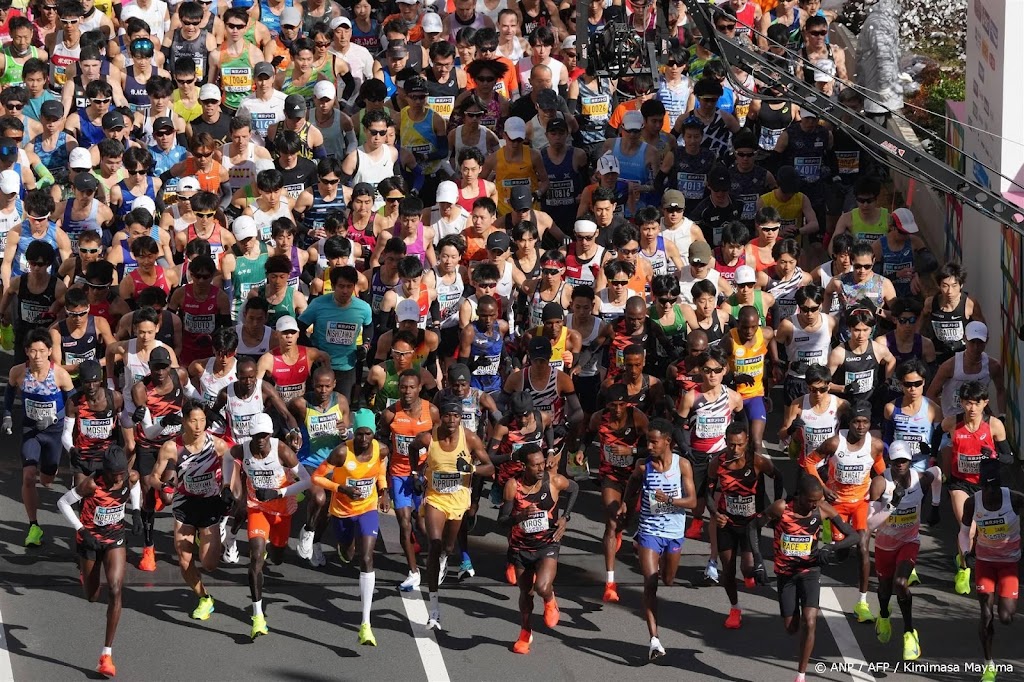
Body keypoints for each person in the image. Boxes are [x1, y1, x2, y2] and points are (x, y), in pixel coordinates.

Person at [56, 444, 140, 679]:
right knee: (92, 596)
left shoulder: (129, 477)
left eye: (122, 473)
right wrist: (81, 530)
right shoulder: (91, 484)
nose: (119, 478)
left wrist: (136, 511)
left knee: (115, 589)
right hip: (90, 541)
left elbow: (135, 484)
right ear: (105, 471)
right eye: (115, 474)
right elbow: (62, 503)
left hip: (115, 539)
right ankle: (85, 572)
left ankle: (106, 655)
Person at [766, 475, 861, 682]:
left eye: (817, 500)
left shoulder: (822, 509)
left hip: (810, 571)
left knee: (810, 621)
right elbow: (754, 527)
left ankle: (801, 676)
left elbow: (854, 536)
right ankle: (795, 617)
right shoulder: (781, 508)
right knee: (792, 628)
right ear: (799, 496)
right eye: (810, 500)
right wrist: (754, 558)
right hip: (786, 574)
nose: (814, 505)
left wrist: (831, 547)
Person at [410, 397, 493, 630]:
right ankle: (434, 611)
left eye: (456, 416)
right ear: (441, 417)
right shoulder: (429, 437)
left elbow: (491, 468)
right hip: (436, 498)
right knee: (434, 544)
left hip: (458, 501)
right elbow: (413, 448)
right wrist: (415, 472)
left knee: (447, 547)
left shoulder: (470, 438)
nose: (452, 420)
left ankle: (446, 558)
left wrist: (472, 469)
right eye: (448, 415)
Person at [147, 400, 234, 620]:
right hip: (184, 504)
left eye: (202, 420)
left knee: (209, 564)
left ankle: (204, 539)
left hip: (209, 505)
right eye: (194, 421)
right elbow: (152, 477)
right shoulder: (171, 447)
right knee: (183, 559)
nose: (198, 426)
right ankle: (204, 598)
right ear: (184, 421)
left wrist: (227, 488)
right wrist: (162, 486)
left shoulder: (217, 445)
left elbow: (231, 468)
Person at [802, 400, 886, 622]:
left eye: (865, 422)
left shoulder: (875, 445)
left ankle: (862, 603)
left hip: (860, 503)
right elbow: (809, 462)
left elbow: (882, 472)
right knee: (841, 553)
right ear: (849, 423)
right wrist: (822, 487)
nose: (861, 426)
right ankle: (832, 539)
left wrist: (883, 497)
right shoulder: (834, 443)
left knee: (862, 546)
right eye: (857, 421)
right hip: (836, 503)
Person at [312, 409, 389, 645]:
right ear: (354, 432)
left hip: (367, 508)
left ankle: (365, 623)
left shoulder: (381, 449)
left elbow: (381, 468)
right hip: (343, 511)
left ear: (373, 434)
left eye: (368, 434)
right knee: (348, 553)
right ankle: (344, 546)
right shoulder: (342, 452)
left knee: (366, 558)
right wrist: (340, 489)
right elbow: (317, 477)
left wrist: (384, 491)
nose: (364, 440)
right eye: (359, 434)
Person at [622, 418, 696, 660]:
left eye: (654, 442)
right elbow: (632, 482)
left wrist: (669, 501)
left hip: (674, 532)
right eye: (647, 442)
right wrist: (625, 502)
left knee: (668, 579)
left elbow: (693, 503)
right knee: (650, 583)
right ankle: (654, 639)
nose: (650, 446)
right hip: (649, 530)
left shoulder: (682, 465)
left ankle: (661, 564)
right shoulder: (644, 467)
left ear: (668, 442)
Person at [233, 412, 310, 639]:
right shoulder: (244, 449)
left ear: (271, 434)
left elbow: (307, 481)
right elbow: (228, 459)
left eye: (264, 435)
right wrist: (232, 488)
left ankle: (274, 549)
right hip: (257, 508)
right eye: (256, 435)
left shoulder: (281, 450)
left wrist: (279, 492)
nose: (260, 439)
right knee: (256, 557)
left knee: (277, 556)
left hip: (282, 512)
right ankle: (258, 617)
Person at [500, 442, 579, 654]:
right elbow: (502, 520)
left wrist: (565, 517)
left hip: (547, 543)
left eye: (542, 463)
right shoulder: (512, 486)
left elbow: (575, 489)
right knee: (525, 593)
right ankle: (525, 633)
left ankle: (550, 600)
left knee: (543, 587)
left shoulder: (553, 481)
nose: (540, 468)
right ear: (524, 466)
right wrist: (520, 516)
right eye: (535, 465)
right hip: (521, 547)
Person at [867, 441, 942, 661]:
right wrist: (892, 506)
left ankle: (909, 633)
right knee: (884, 590)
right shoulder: (881, 483)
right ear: (889, 461)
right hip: (884, 545)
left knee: (901, 584)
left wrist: (935, 506)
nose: (900, 465)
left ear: (910, 461)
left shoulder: (920, 479)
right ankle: (883, 616)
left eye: (904, 461)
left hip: (909, 541)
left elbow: (937, 472)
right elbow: (870, 524)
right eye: (896, 461)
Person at [676, 345, 745, 584]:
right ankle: (694, 520)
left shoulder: (733, 398)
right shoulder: (691, 396)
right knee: (696, 505)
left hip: (720, 460)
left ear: (724, 370)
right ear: (700, 370)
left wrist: (737, 453)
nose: (712, 375)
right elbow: (677, 426)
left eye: (717, 370)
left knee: (716, 512)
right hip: (697, 459)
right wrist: (686, 450)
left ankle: (712, 562)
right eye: (707, 370)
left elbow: (741, 427)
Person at [4, 329, 76, 547]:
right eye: (33, 351)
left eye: (41, 351)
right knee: (28, 476)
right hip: (30, 431)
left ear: (49, 352)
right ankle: (33, 526)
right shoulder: (18, 372)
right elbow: (8, 396)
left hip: (53, 434)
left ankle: (49, 473)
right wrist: (7, 415)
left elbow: (74, 404)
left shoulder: (59, 374)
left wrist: (55, 419)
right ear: (27, 351)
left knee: (47, 480)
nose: (37, 356)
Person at [940, 380, 1013, 596]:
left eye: (977, 403)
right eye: (968, 403)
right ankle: (964, 570)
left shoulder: (994, 426)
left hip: (985, 485)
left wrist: (994, 456)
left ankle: (963, 555)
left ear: (985, 403)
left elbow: (1009, 458)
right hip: (959, 483)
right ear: (962, 403)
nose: (972, 408)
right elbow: (937, 438)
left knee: (983, 532)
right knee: (968, 528)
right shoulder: (952, 423)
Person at [958, 457, 1023, 682]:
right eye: (987, 486)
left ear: (1001, 485)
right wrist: (967, 554)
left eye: (995, 486)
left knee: (1005, 617)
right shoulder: (972, 503)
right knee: (986, 614)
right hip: (984, 562)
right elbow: (964, 533)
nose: (991, 491)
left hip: (1009, 563)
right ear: (981, 486)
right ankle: (988, 665)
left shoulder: (1014, 499)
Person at [583, 383, 648, 602]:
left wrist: (631, 450)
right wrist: (581, 451)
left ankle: (620, 532)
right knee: (611, 522)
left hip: (633, 478)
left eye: (621, 405)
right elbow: (587, 435)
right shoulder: (598, 418)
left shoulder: (637, 418)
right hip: (610, 476)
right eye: (614, 405)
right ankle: (610, 582)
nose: (618, 409)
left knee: (624, 522)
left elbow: (654, 447)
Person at [708, 423, 777, 629]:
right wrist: (715, 513)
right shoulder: (717, 462)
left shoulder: (757, 461)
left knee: (747, 568)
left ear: (746, 442)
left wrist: (769, 512)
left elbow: (778, 477)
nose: (735, 449)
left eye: (739, 445)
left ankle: (748, 575)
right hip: (727, 522)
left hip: (749, 524)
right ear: (726, 442)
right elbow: (708, 494)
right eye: (731, 444)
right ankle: (735, 608)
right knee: (727, 570)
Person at [382, 370, 439, 591]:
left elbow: (439, 441)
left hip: (424, 474)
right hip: (399, 473)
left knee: (424, 526)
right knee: (404, 524)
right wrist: (384, 487)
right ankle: (413, 572)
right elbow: (381, 442)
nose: (407, 392)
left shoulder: (431, 411)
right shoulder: (390, 414)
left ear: (419, 388)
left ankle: (439, 559)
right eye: (403, 387)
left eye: (411, 387)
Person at [299, 266, 373, 401]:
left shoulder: (363, 308)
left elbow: (369, 327)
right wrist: (313, 351)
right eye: (341, 286)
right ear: (333, 286)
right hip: (320, 366)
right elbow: (300, 328)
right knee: (315, 406)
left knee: (342, 408)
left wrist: (366, 345)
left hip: (347, 367)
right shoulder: (318, 304)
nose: (345, 291)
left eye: (349, 286)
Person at [63, 360, 123, 484]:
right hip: (83, 456)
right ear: (81, 381)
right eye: (87, 382)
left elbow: (126, 424)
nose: (91, 387)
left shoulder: (115, 398)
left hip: (107, 457)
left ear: (101, 380)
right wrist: (71, 449)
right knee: (83, 493)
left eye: (95, 381)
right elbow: (66, 433)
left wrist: (136, 419)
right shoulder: (73, 402)